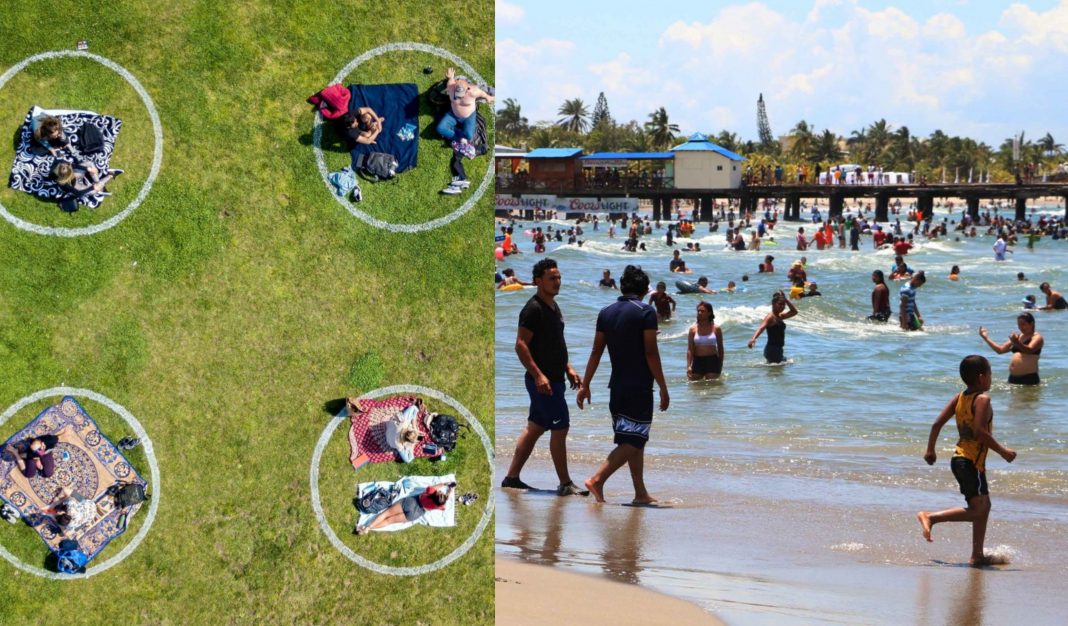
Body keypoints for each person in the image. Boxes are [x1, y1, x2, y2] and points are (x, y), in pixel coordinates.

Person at [577, 265, 669, 504]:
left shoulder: (606, 311)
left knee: (632, 440)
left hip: (616, 386)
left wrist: (585, 385)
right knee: (636, 439)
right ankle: (597, 480)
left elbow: (596, 351)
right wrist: (663, 386)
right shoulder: (645, 312)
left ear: (621, 285)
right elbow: (651, 352)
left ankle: (640, 493)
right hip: (638, 386)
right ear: (643, 290)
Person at [916, 355, 1017, 567]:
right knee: (979, 509)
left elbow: (936, 424)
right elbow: (980, 432)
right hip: (971, 462)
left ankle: (977, 555)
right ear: (981, 378)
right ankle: (931, 517)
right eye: (990, 374)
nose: (991, 378)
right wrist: (1003, 452)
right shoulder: (982, 399)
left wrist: (930, 450)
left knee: (983, 505)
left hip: (960, 460)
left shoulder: (959, 397)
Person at [502, 259, 585, 496]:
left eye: (559, 277)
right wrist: (538, 375)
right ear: (538, 281)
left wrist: (568, 367)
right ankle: (565, 483)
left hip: (555, 379)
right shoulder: (533, 309)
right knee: (561, 428)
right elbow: (520, 345)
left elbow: (555, 344)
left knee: (536, 427)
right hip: (543, 383)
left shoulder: (553, 307)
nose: (557, 282)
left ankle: (511, 478)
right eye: (552, 278)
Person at [355, 482, 455, 534]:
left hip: (411, 502)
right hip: (416, 513)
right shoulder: (441, 505)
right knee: (389, 521)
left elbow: (434, 487)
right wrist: (448, 493)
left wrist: (445, 484)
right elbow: (444, 502)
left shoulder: (431, 491)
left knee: (385, 514)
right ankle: (369, 528)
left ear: (437, 493)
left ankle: (367, 527)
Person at [979, 314, 1043, 385]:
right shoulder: (1018, 337)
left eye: (1023, 324)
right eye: (1019, 325)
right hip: (1012, 378)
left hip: (1029, 378)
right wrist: (985, 337)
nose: (1021, 327)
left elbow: (1029, 350)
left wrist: (1017, 342)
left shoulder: (1037, 337)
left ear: (1031, 323)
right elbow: (1000, 350)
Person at [436, 67, 493, 148]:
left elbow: (484, 95)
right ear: (454, 86)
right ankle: (460, 139)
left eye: (461, 94)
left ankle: (455, 134)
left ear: (468, 89)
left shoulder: (474, 91)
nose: (458, 97)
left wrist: (489, 97)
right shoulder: (450, 86)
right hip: (453, 115)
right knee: (440, 128)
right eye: (457, 93)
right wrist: (451, 77)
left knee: (469, 135)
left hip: (468, 117)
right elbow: (451, 80)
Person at [747, 291, 798, 364]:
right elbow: (761, 327)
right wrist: (753, 338)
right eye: (780, 304)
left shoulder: (780, 316)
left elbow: (794, 312)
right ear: (773, 304)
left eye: (784, 305)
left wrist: (785, 299)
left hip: (777, 350)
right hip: (773, 350)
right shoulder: (770, 317)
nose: (782, 306)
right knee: (781, 370)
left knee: (776, 371)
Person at [51, 161, 122, 201]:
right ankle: (110, 175)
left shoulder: (62, 165)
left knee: (89, 164)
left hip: (76, 175)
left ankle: (99, 185)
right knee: (94, 190)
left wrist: (88, 169)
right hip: (76, 185)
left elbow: (73, 165)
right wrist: (92, 188)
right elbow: (78, 193)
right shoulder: (63, 183)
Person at [687, 302, 723, 380]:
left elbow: (720, 348)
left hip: (712, 361)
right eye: (698, 311)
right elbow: (690, 349)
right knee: (695, 387)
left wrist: (720, 365)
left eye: (702, 311)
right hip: (697, 361)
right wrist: (689, 366)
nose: (699, 313)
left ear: (709, 313)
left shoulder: (716, 328)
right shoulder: (692, 329)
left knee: (712, 386)